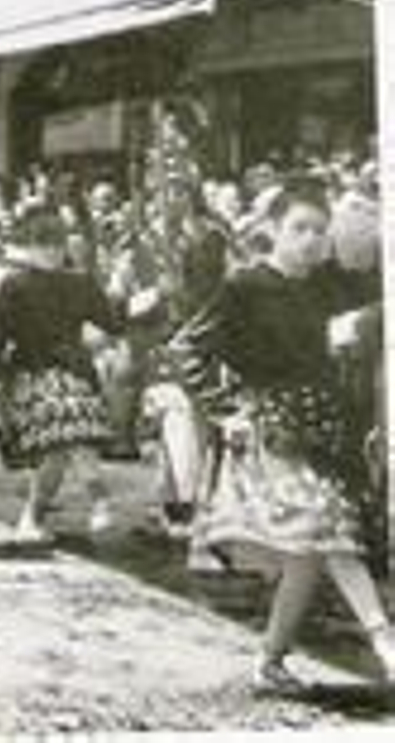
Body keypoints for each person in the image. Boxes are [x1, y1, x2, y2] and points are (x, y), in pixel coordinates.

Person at [171, 176, 393, 693]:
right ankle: (385, 643)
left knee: (310, 552)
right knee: (325, 525)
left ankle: (270, 661)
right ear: (273, 230)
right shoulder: (244, 286)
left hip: (324, 429)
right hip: (273, 430)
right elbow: (186, 349)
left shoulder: (327, 283)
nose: (312, 240)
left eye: (320, 230)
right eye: (299, 229)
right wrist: (227, 410)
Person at [0, 202, 151, 540]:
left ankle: (34, 518)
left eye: (57, 244)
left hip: (73, 372)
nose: (51, 252)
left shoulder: (79, 284)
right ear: (28, 248)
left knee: (62, 447)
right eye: (43, 244)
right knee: (69, 431)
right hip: (33, 372)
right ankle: (98, 502)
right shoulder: (13, 285)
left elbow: (111, 321)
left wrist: (136, 297)